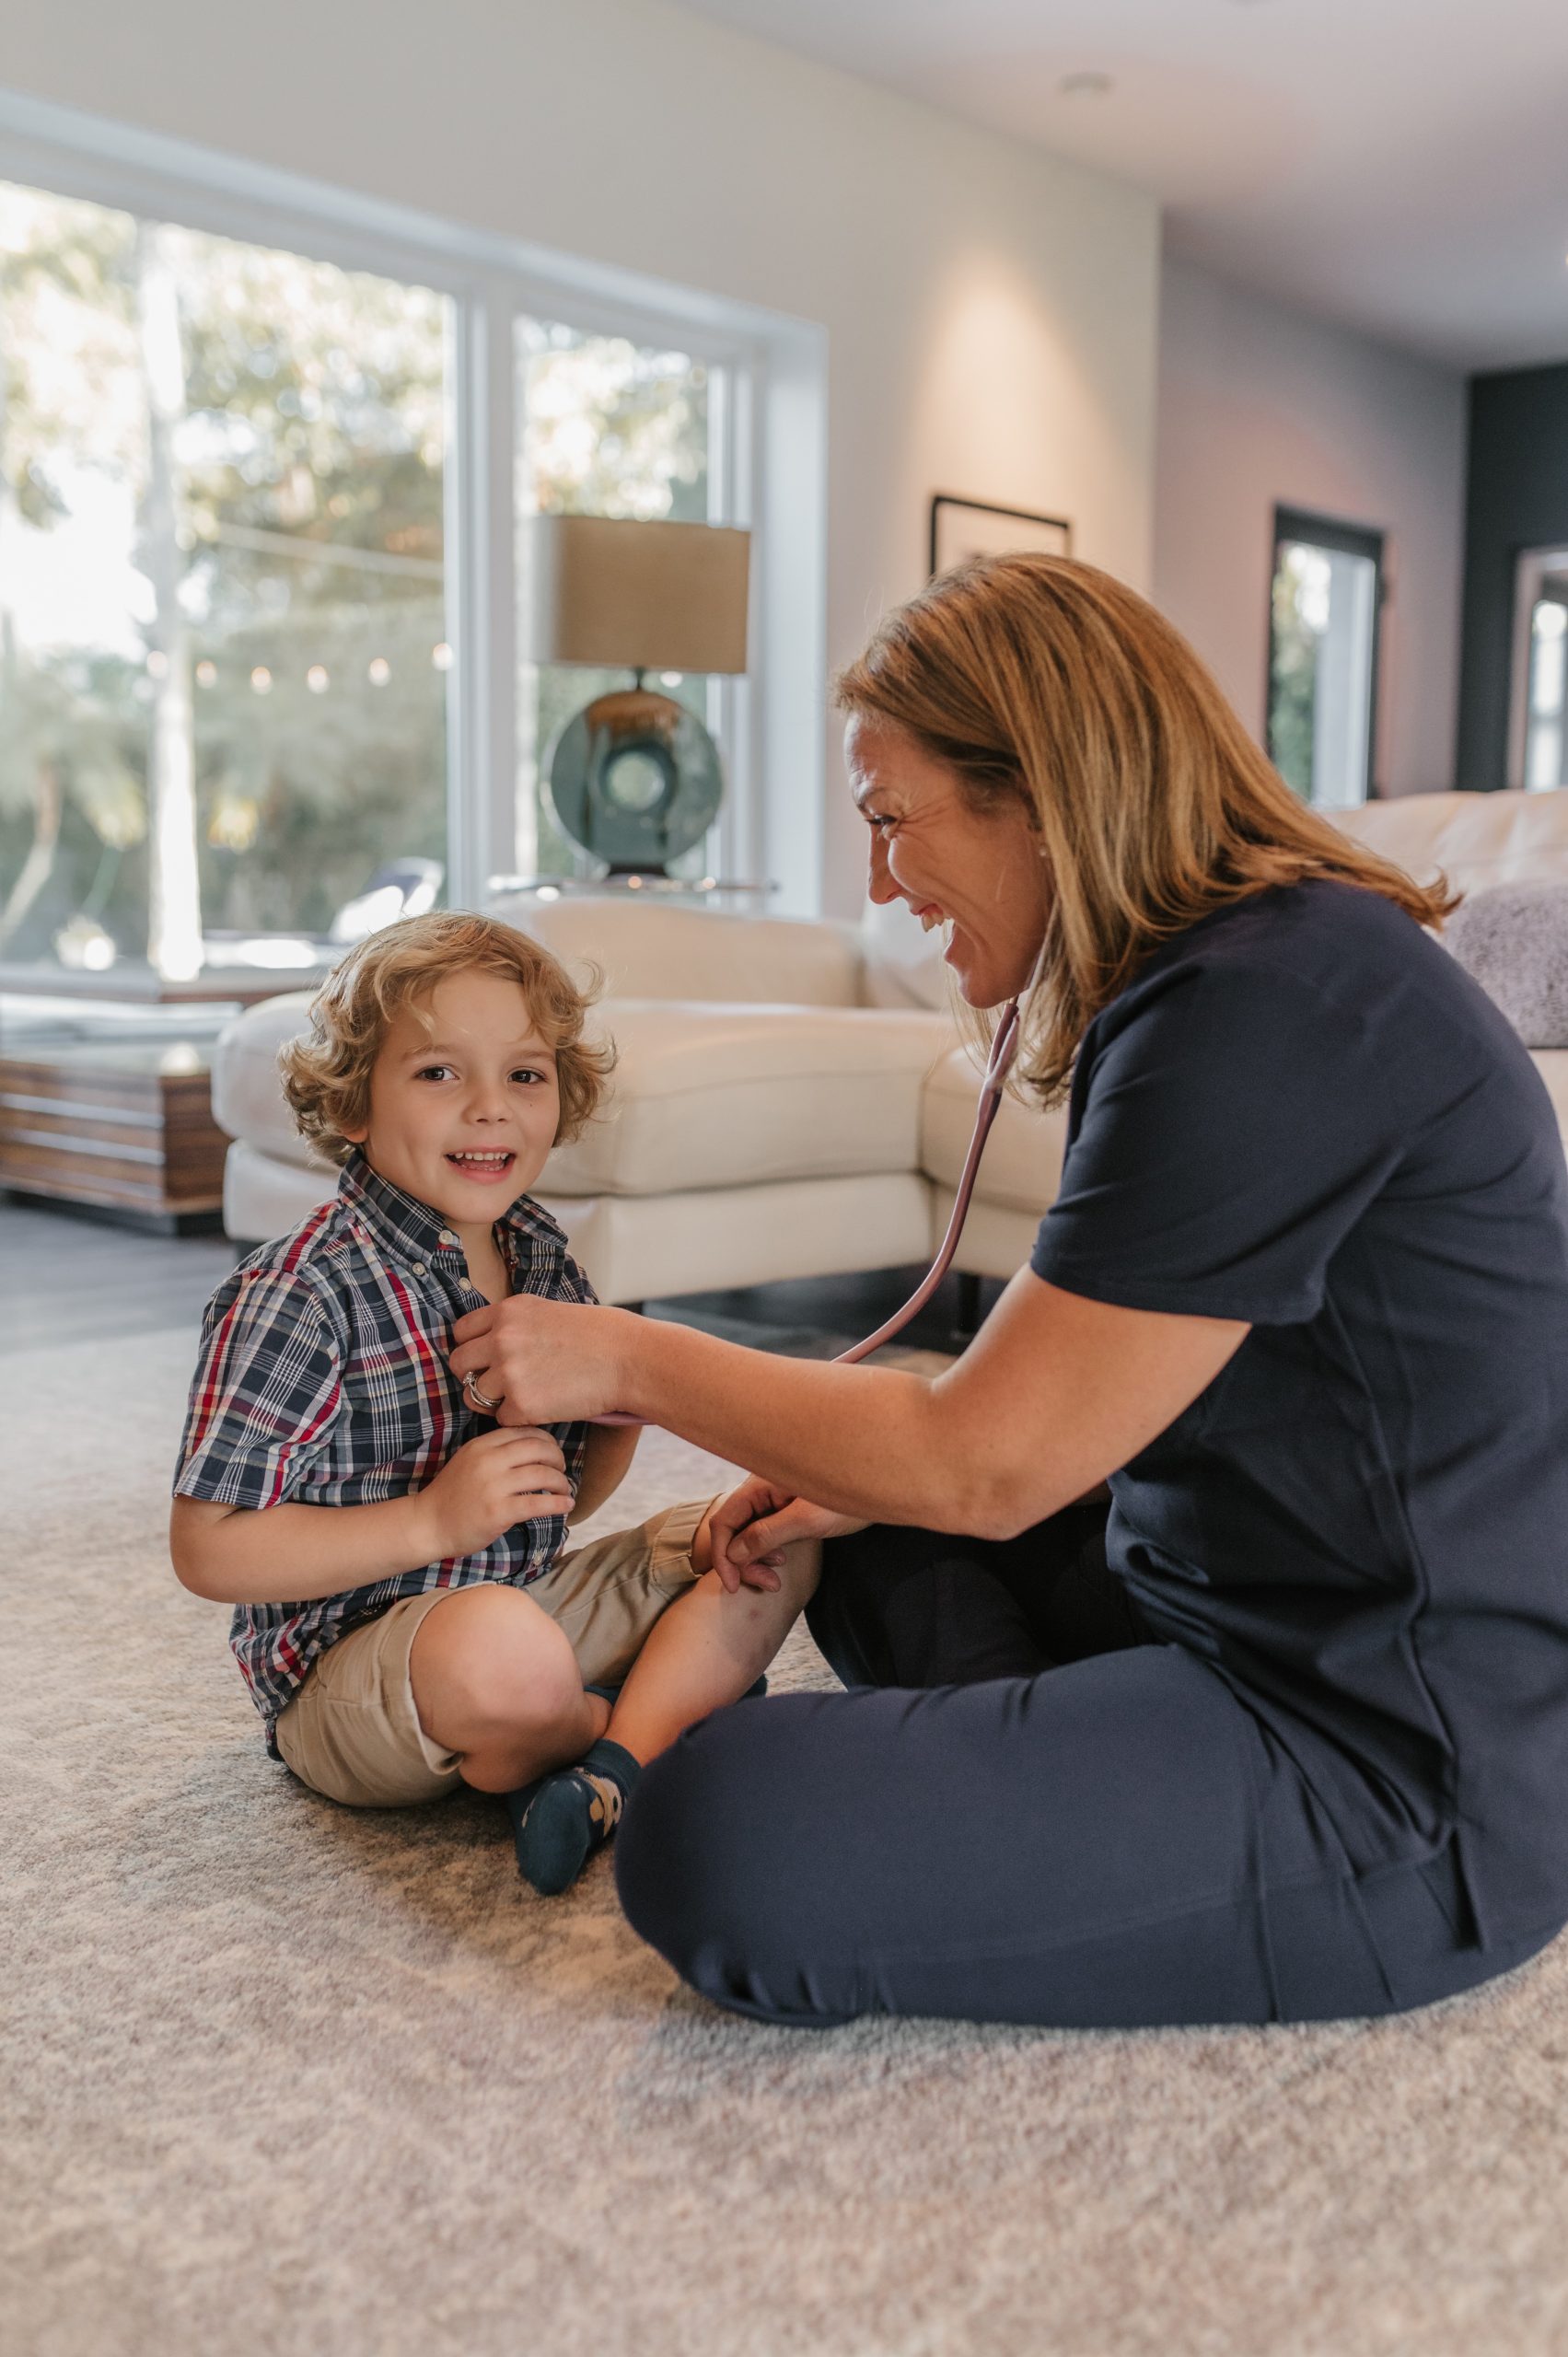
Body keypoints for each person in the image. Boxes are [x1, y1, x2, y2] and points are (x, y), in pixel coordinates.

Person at [449, 554, 1568, 2027]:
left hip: (1399, 1754)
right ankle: (1041, 1790)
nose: (873, 880)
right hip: (1222, 1583)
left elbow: (982, 1467)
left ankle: (1032, 1798)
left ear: (1038, 788)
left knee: (718, 1828)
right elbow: (1040, 1419)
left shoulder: (1268, 1005)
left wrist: (626, 1358)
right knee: (841, 1515)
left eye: (887, 819)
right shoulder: (1220, 973)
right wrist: (865, 1468)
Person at [169, 912, 816, 1896]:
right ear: (351, 1103)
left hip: (520, 1605)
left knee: (779, 1530)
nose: (490, 1109)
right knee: (501, 1653)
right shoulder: (301, 1294)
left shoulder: (542, 1255)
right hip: (352, 1672)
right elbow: (209, 1546)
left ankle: (599, 1773)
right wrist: (430, 1519)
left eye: (524, 1074)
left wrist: (616, 1404)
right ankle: (641, 1728)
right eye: (438, 1073)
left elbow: (565, 1500)